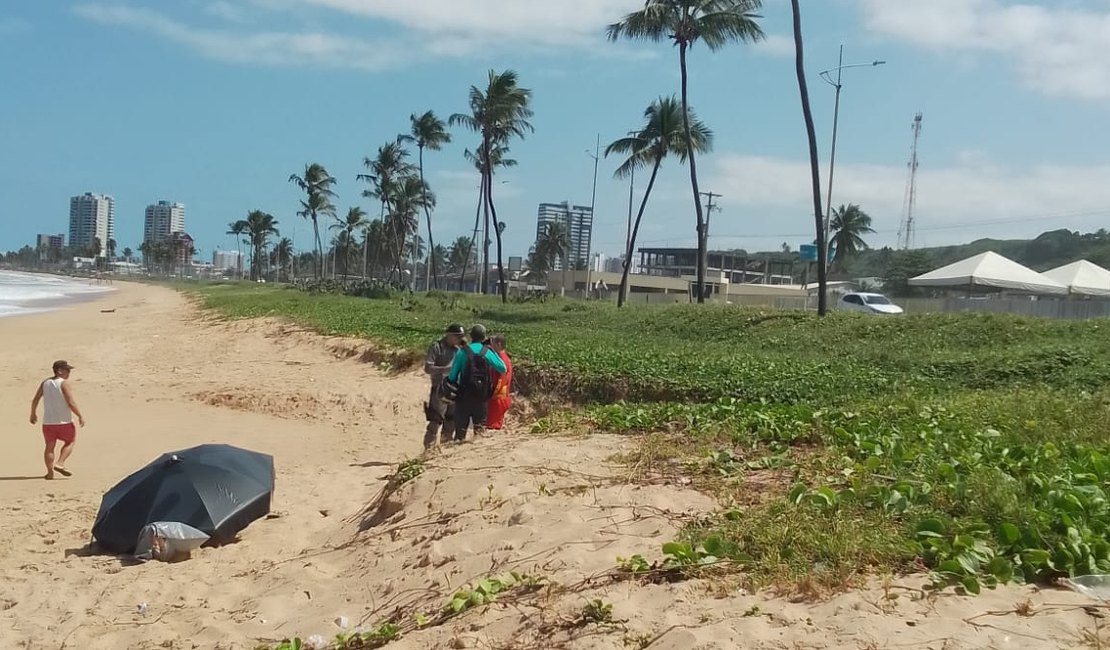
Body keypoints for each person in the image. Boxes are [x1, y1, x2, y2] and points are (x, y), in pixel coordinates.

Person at [445, 324, 506, 442]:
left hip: (464, 396)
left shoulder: (463, 351)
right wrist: (492, 350)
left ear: (471, 336)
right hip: (481, 396)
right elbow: (503, 368)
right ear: (484, 337)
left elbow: (452, 376)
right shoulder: (486, 351)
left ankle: (458, 451)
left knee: (460, 432)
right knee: (479, 431)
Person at [29, 360, 85, 480]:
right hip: (64, 422)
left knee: (49, 447)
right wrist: (79, 415)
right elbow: (70, 402)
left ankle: (50, 473)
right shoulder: (63, 383)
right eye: (67, 370)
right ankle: (60, 463)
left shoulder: (45, 383)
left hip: (48, 423)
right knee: (70, 442)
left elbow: (35, 399)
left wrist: (32, 414)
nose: (69, 373)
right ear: (59, 371)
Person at [423, 324, 464, 448]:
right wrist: (444, 369)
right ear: (449, 335)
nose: (459, 339)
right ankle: (428, 449)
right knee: (435, 420)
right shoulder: (437, 347)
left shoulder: (458, 350)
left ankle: (446, 447)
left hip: (454, 389)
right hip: (439, 389)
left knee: (451, 420)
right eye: (457, 336)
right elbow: (428, 368)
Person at [486, 334, 512, 430]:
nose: (491, 345)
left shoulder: (501, 359)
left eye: (493, 343)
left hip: (498, 397)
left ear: (499, 344)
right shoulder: (501, 357)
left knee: (492, 425)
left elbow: (501, 380)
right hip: (500, 396)